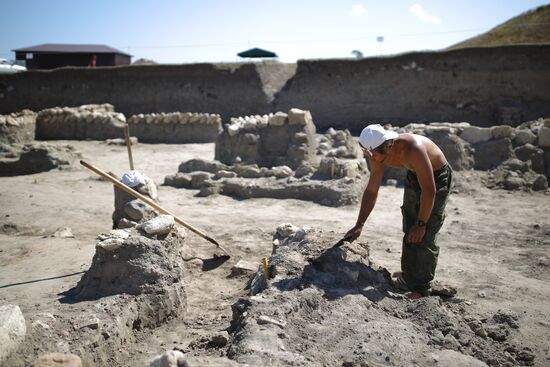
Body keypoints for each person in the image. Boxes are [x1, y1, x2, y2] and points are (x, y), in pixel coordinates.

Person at [345, 124, 453, 299]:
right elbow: (372, 190)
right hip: (414, 173)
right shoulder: (378, 154)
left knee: (424, 232)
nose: (369, 158)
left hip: (436, 177)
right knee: (410, 227)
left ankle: (421, 289)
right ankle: (409, 278)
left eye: (371, 154)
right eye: (367, 153)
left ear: (387, 146)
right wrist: (359, 224)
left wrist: (422, 223)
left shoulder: (413, 149)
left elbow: (429, 189)